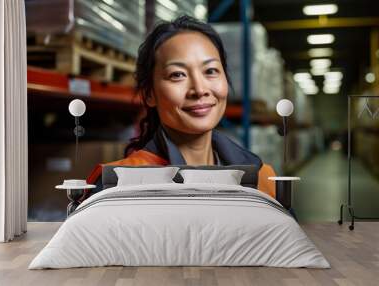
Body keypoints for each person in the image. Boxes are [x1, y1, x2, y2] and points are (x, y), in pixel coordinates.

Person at [86, 15, 276, 198]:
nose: (199, 89)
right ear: (149, 94)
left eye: (210, 71)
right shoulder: (117, 185)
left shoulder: (262, 179)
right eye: (177, 75)